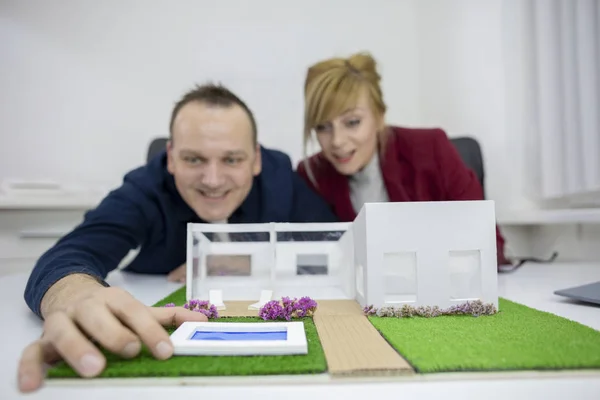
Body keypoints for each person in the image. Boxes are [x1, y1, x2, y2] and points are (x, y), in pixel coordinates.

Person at [17, 83, 338, 393]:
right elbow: (70, 253)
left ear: (256, 159)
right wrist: (77, 296)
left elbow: (335, 248)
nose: (213, 180)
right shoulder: (145, 189)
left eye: (232, 159)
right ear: (170, 157)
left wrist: (232, 262)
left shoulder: (281, 177)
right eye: (194, 159)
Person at [296, 52, 511, 267]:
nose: (337, 141)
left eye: (352, 122)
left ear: (379, 117)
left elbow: (489, 244)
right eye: (323, 127)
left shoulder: (431, 149)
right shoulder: (312, 175)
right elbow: (313, 264)